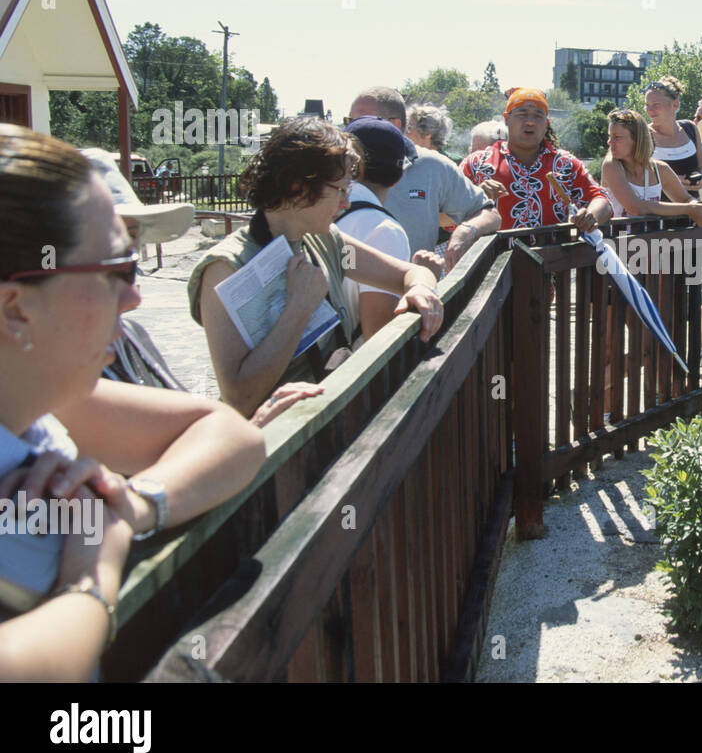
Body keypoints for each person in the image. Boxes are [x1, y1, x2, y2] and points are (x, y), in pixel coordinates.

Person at [0, 125, 264, 681]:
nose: (136, 296)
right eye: (116, 271)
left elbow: (233, 436)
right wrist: (90, 579)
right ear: (16, 308)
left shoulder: (37, 406)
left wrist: (131, 504)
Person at [188, 116, 443, 417]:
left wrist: (421, 288)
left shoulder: (327, 242)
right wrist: (299, 308)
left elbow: (409, 273)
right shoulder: (226, 268)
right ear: (298, 187)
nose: (347, 204)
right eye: (340, 190)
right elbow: (239, 399)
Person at [79, 149, 323, 426]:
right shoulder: (57, 371)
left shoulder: (128, 335)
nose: (134, 296)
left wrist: (252, 426)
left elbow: (177, 442)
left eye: (133, 247)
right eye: (110, 258)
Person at [348, 87, 500, 274]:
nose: (349, 130)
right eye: (349, 121)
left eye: (361, 121)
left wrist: (466, 231)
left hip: (413, 295)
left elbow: (489, 213)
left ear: (394, 125)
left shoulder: (432, 165)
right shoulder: (338, 168)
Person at [461, 87, 612, 233]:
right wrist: (475, 197)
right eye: (522, 113)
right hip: (494, 259)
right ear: (507, 119)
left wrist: (590, 216)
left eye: (538, 115)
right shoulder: (476, 164)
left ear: (546, 124)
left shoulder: (566, 164)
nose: (530, 122)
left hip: (555, 258)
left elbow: (602, 200)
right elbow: (444, 217)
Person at [339, 118, 414, 344]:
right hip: (349, 373)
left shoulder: (317, 214)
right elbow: (379, 335)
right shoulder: (385, 231)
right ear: (397, 178)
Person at [601, 108, 702, 227]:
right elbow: (636, 208)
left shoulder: (660, 169)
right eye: (610, 136)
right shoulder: (611, 165)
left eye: (617, 137)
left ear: (637, 139)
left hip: (654, 243)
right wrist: (689, 209)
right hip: (619, 243)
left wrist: (696, 207)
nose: (609, 142)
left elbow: (686, 199)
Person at [645, 77, 702, 193]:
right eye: (647, 105)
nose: (649, 110)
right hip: (659, 210)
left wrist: (701, 179)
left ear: (675, 104)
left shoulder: (690, 128)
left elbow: (701, 168)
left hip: (693, 207)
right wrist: (671, 181)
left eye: (656, 104)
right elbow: (635, 178)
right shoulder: (643, 135)